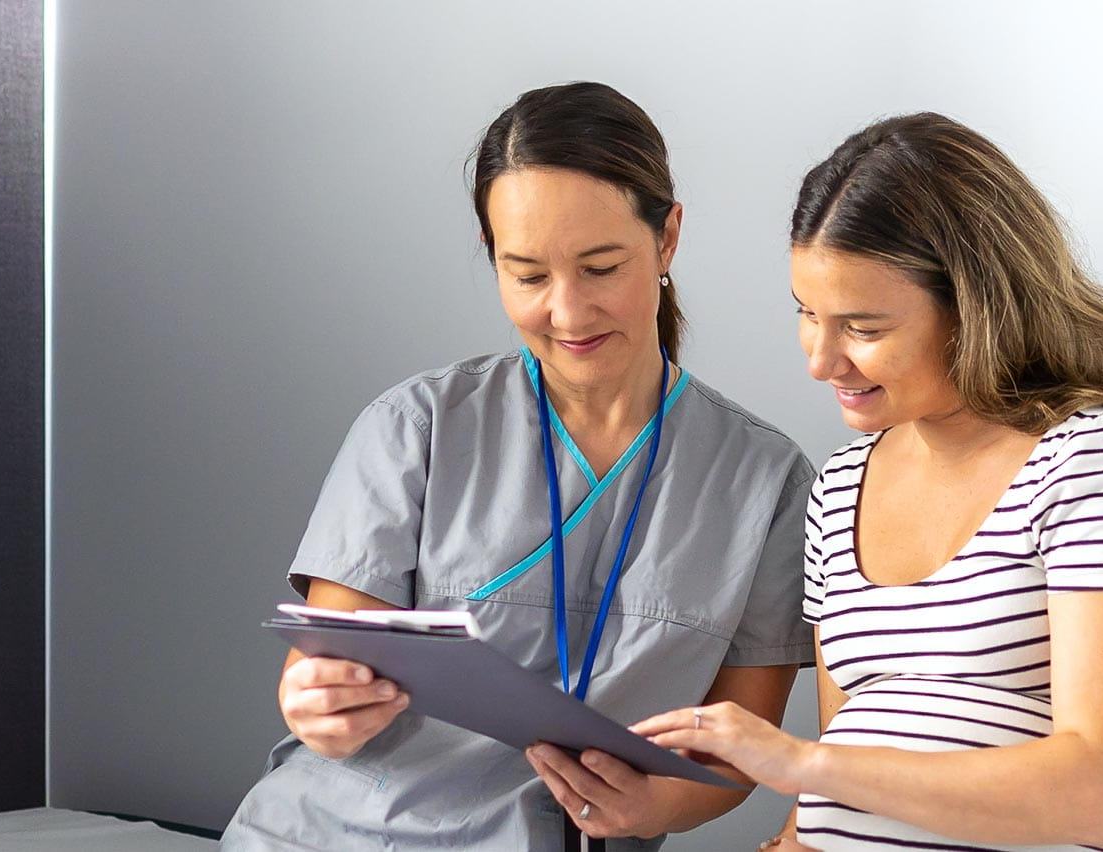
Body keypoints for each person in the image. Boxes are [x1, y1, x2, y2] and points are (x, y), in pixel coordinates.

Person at [220, 82, 815, 851]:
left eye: (601, 267)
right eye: (528, 275)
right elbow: (333, 667)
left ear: (667, 239)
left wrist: (656, 809)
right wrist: (317, 708)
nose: (566, 312)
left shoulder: (765, 483)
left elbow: (732, 755)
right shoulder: (416, 428)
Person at [634, 112, 1103, 850]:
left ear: (975, 309)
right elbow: (850, 765)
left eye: (864, 328)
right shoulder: (840, 488)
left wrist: (799, 764)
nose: (820, 359)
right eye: (807, 314)